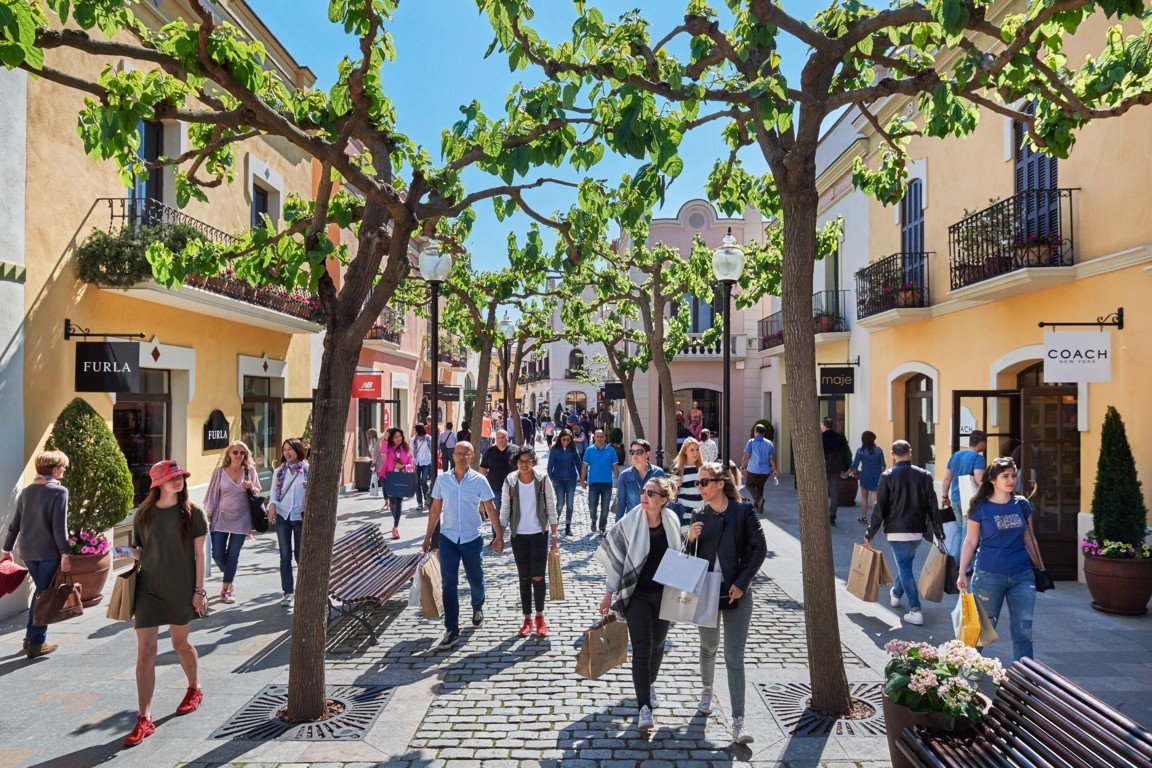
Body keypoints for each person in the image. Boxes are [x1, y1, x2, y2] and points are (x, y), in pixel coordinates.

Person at [123, 460, 208, 747]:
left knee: (180, 644)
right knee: (146, 651)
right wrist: (123, 551)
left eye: (181, 476)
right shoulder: (143, 514)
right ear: (158, 483)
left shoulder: (192, 513)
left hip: (181, 588)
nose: (178, 480)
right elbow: (141, 552)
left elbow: (200, 555)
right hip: (148, 589)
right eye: (172, 477)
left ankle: (194, 688)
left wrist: (199, 591)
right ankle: (144, 717)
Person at [686, 462, 767, 745]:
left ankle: (738, 720)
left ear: (721, 483)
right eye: (697, 483)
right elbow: (690, 560)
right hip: (707, 593)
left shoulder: (743, 511)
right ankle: (707, 689)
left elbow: (760, 549)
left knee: (734, 657)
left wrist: (742, 583)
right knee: (708, 647)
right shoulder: (698, 514)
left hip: (737, 594)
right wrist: (690, 539)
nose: (699, 487)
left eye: (704, 482)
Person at [594, 476, 682, 734]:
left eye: (651, 493)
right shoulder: (630, 522)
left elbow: (679, 556)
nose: (644, 496)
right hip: (637, 595)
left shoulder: (672, 521)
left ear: (663, 500)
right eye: (644, 491)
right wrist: (608, 594)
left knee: (658, 645)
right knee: (642, 649)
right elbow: (617, 561)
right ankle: (644, 706)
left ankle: (649, 684)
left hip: (664, 594)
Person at [957, 457, 1045, 661]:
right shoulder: (980, 507)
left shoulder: (1022, 504)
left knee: (1024, 631)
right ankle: (966, 668)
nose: (1011, 480)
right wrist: (961, 572)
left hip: (1022, 575)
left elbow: (1030, 539)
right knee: (982, 629)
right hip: (988, 575)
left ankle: (1024, 674)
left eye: (1013, 476)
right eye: (1005, 476)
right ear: (993, 480)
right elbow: (970, 541)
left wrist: (1041, 568)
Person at [422, 441, 504, 650]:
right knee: (449, 584)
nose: (460, 457)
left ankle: (477, 607)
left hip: (471, 538)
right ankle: (452, 629)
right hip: (448, 538)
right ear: (453, 456)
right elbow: (435, 509)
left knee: (475, 579)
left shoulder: (479, 480)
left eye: (465, 454)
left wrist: (498, 535)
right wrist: (428, 536)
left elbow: (490, 507)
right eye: (457, 453)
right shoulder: (442, 480)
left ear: (472, 456)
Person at [1, 450, 71, 659]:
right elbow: (59, 528)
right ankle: (37, 642)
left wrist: (6, 550)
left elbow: (14, 525)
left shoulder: (27, 491)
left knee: (41, 593)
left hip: (28, 551)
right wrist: (66, 554)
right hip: (49, 552)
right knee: (43, 595)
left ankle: (30, 638)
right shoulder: (59, 492)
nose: (64, 471)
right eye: (63, 468)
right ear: (55, 469)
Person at [864, 440, 941, 626]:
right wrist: (939, 531)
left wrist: (870, 532)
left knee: (905, 568)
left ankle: (915, 609)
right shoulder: (925, 475)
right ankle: (896, 593)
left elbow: (880, 507)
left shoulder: (887, 476)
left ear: (892, 455)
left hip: (896, 531)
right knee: (905, 565)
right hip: (917, 530)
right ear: (910, 452)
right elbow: (933, 506)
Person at [498, 445, 558, 637]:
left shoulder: (542, 479)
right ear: (516, 462)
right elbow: (505, 510)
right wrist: (500, 535)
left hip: (539, 534)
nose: (524, 465)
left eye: (528, 461)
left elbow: (551, 506)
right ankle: (527, 619)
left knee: (538, 577)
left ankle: (540, 617)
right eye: (521, 461)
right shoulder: (510, 481)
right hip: (519, 535)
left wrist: (554, 536)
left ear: (533, 462)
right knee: (524, 578)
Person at [204, 441, 261, 604]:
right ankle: (229, 576)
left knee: (233, 556)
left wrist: (251, 487)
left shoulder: (249, 471)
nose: (238, 455)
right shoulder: (219, 471)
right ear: (229, 454)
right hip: (220, 517)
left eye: (242, 453)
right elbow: (212, 492)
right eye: (235, 452)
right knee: (217, 555)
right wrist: (209, 513)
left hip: (242, 519)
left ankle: (226, 590)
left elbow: (257, 489)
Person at [268, 438, 308, 607]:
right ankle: (288, 592)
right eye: (284, 450)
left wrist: (309, 486)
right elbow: (273, 493)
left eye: (290, 449)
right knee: (285, 556)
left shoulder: (307, 469)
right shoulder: (279, 471)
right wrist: (271, 506)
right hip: (283, 516)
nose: (287, 453)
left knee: (300, 555)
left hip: (300, 516)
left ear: (298, 450)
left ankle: (305, 589)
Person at [940, 430, 987, 563]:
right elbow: (979, 479)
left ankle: (953, 562)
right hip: (970, 500)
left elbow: (947, 478)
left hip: (955, 498)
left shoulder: (955, 455)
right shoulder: (978, 458)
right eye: (985, 443)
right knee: (968, 533)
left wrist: (944, 496)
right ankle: (964, 565)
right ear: (981, 443)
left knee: (960, 530)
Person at [615, 439, 667, 522]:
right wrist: (618, 527)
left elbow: (666, 500)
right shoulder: (625, 476)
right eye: (632, 452)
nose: (635, 455)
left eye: (639, 452)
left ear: (647, 454)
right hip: (633, 522)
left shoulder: (658, 473)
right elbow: (621, 504)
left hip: (654, 522)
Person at [377, 428, 414, 540]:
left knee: (399, 502)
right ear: (392, 439)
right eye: (396, 437)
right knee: (393, 503)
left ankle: (395, 526)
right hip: (389, 477)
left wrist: (403, 467)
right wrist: (385, 439)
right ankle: (396, 525)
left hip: (401, 477)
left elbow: (412, 463)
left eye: (400, 436)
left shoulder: (406, 448)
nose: (399, 438)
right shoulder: (388, 448)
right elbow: (383, 452)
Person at [581, 429, 620, 534]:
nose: (599, 439)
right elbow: (585, 466)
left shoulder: (611, 450)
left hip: (607, 483)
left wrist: (619, 479)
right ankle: (593, 519)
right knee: (592, 506)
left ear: (605, 437)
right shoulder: (589, 450)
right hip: (593, 483)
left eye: (601, 437)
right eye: (597, 437)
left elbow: (615, 466)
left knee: (605, 507)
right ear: (594, 438)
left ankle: (602, 526)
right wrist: (582, 480)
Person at [547, 429, 582, 536]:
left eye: (568, 439)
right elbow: (550, 465)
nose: (566, 441)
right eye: (564, 439)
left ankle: (568, 526)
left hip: (571, 479)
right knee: (560, 503)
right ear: (560, 439)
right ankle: (555, 524)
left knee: (570, 503)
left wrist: (583, 477)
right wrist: (551, 478)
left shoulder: (573, 449)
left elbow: (578, 464)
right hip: (558, 479)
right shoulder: (555, 449)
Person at [740, 424, 779, 514]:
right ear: (764, 433)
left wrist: (742, 467)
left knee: (749, 485)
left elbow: (746, 456)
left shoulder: (751, 442)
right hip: (765, 471)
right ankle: (758, 507)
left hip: (753, 470)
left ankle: (759, 499)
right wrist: (774, 469)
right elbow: (771, 458)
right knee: (760, 487)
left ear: (755, 432)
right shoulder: (769, 443)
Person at [821, 417, 852, 525]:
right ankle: (832, 515)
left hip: (823, 467)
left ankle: (822, 514)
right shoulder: (839, 437)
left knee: (822, 491)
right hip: (835, 468)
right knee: (834, 493)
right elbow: (844, 453)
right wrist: (845, 468)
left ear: (824, 425)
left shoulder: (821, 437)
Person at [851, 431, 886, 525]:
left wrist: (854, 473)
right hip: (877, 474)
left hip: (865, 474)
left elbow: (855, 465)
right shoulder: (879, 450)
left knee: (864, 497)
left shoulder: (860, 451)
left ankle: (863, 517)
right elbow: (883, 465)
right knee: (875, 498)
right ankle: (876, 519)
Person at [671, 437, 706, 525]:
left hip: (702, 512)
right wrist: (674, 483)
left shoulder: (703, 468)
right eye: (692, 450)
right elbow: (671, 491)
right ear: (685, 451)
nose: (695, 453)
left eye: (697, 450)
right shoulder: (679, 468)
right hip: (685, 513)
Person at [478, 429, 514, 512]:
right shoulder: (490, 452)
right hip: (495, 489)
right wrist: (481, 486)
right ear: (496, 439)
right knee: (496, 513)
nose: (501, 440)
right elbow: (483, 469)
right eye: (498, 438)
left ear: (507, 438)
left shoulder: (515, 450)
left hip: (512, 489)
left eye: (503, 437)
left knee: (512, 513)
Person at [411, 423, 434, 510]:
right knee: (417, 483)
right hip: (417, 463)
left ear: (418, 430)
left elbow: (432, 450)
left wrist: (432, 462)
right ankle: (419, 503)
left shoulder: (428, 438)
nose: (414, 432)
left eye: (415, 430)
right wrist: (413, 462)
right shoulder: (413, 440)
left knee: (423, 482)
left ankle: (427, 500)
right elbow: (411, 452)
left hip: (426, 462)